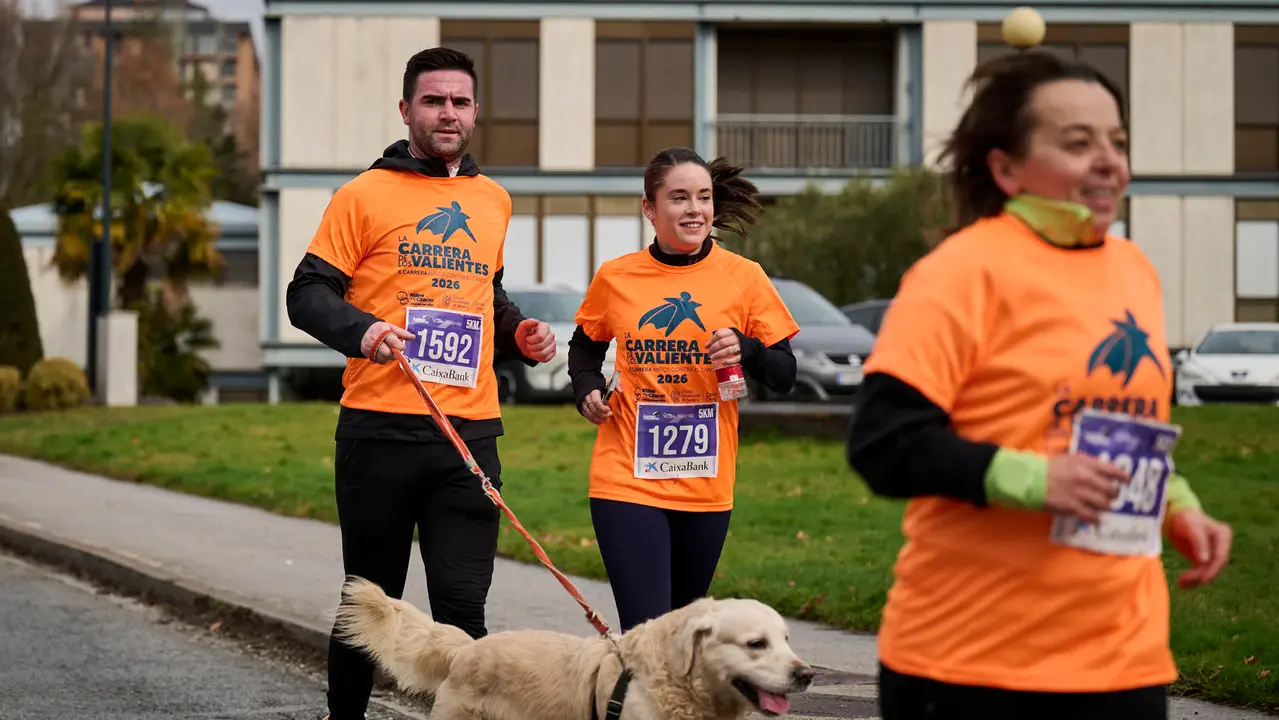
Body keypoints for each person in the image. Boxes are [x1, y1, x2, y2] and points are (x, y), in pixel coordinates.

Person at [844, 50, 1234, 720]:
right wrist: (1034, 480)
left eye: (1117, 142)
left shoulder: (1134, 270)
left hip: (1125, 659)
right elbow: (883, 444)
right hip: (970, 663)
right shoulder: (960, 273)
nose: (1108, 162)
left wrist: (1179, 506)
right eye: (1078, 144)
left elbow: (1121, 426)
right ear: (1005, 169)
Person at [284, 46, 557, 720]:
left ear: (476, 112)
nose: (448, 113)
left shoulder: (492, 200)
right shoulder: (363, 194)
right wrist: (364, 332)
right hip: (379, 433)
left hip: (468, 438)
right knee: (370, 604)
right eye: (434, 101)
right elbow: (306, 293)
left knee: (463, 613)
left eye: (459, 102)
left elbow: (485, 296)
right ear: (406, 110)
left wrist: (519, 332)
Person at [567, 146, 800, 633]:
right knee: (648, 632)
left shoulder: (744, 278)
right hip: (626, 477)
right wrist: (586, 386)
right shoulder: (617, 276)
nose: (695, 209)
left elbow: (784, 373)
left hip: (705, 482)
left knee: (683, 634)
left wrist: (746, 349)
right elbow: (585, 346)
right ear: (649, 208)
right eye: (679, 198)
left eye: (703, 197)